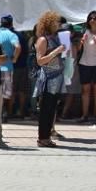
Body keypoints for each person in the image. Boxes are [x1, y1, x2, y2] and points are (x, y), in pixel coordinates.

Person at [34, 11, 66, 148]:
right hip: (47, 79)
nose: (58, 25)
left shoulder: (57, 38)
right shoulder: (43, 40)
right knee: (45, 109)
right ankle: (42, 138)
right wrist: (56, 52)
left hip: (57, 78)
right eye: (56, 22)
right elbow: (40, 61)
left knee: (52, 109)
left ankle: (46, 137)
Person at [0, 14, 21, 120]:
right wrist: (14, 58)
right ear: (11, 23)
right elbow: (18, 47)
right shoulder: (11, 35)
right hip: (7, 67)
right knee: (5, 93)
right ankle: (3, 112)